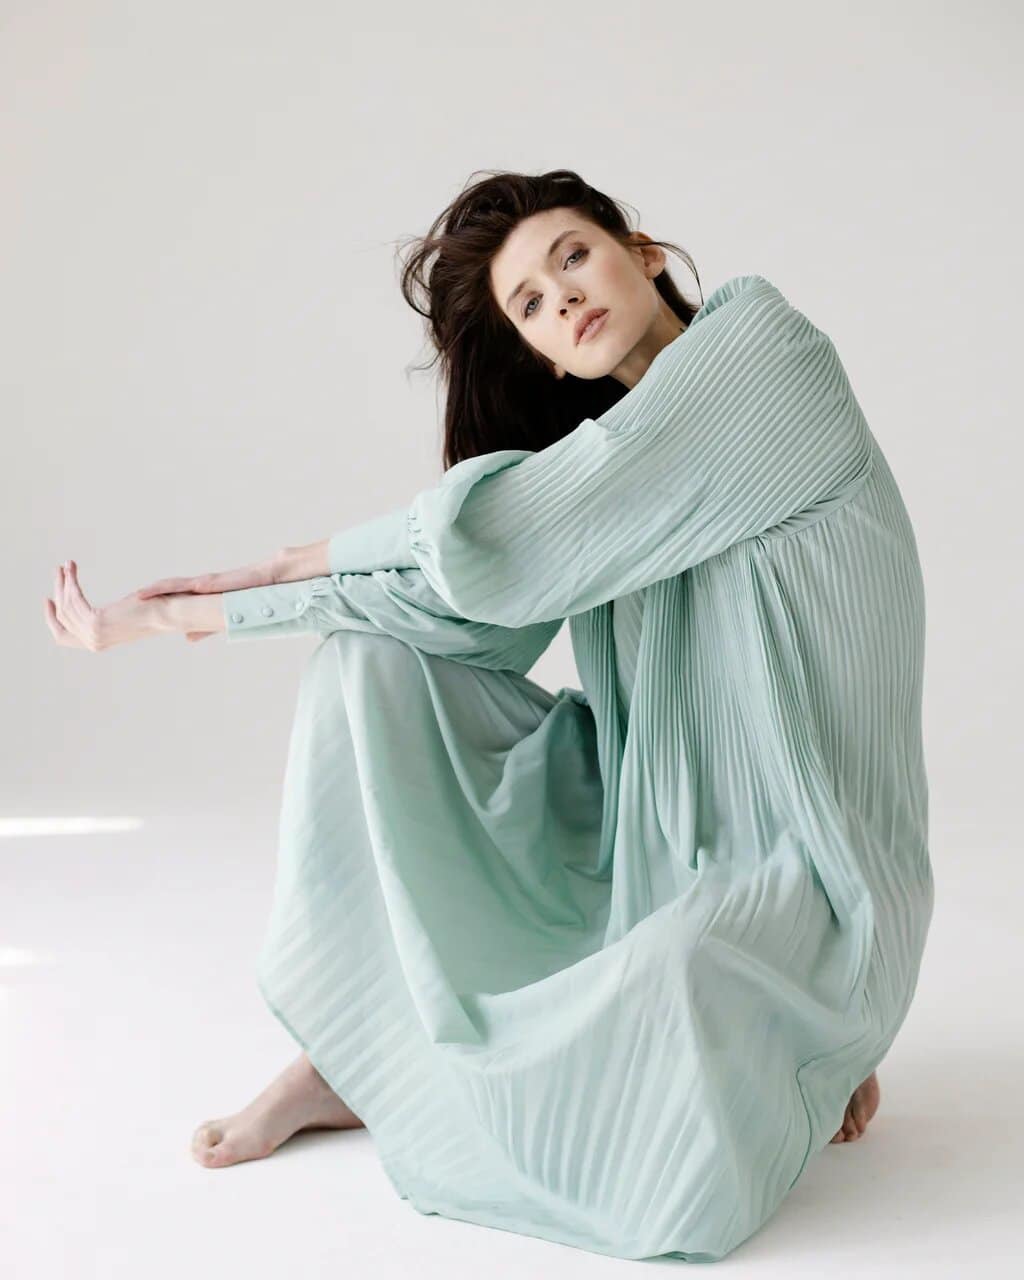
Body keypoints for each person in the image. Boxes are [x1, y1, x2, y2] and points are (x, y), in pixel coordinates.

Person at [45, 168, 934, 1263]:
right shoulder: (588, 478)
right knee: (373, 662)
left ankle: (805, 1036)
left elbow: (498, 538)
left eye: (573, 256)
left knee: (680, 985)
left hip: (811, 876)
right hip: (638, 841)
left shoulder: (762, 351)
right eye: (531, 305)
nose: (564, 298)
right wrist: (197, 614)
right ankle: (357, 1051)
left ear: (643, 252)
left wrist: (291, 559)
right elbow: (456, 605)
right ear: (544, 356)